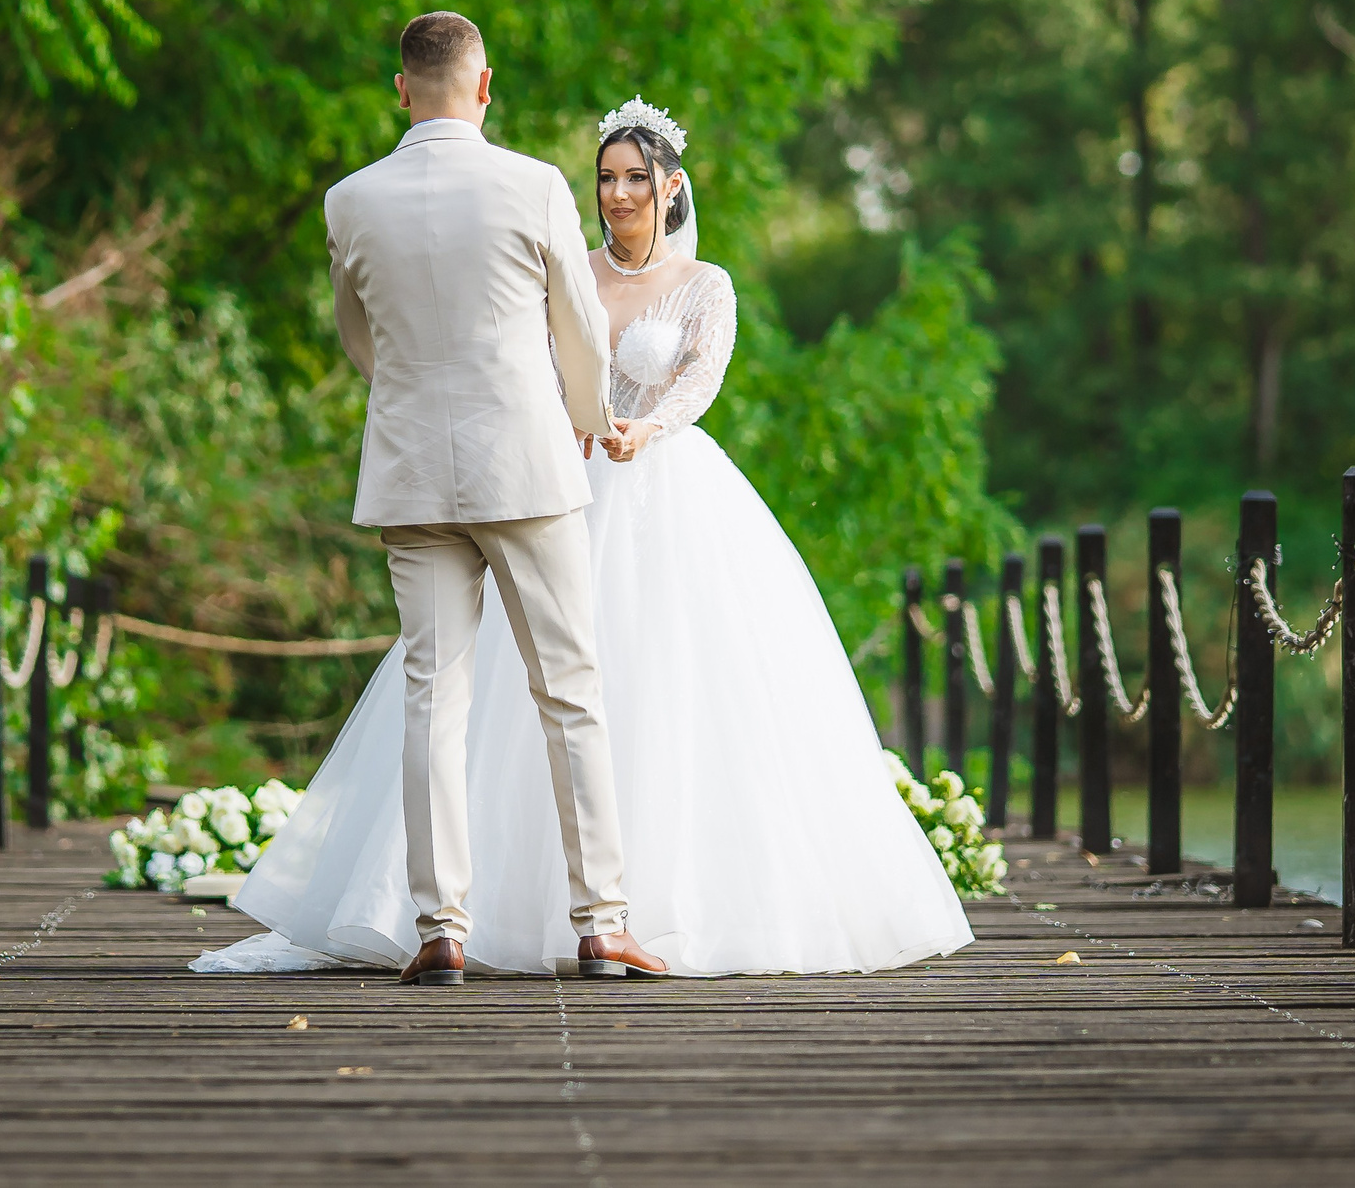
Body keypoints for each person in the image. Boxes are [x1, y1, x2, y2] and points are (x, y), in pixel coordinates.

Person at [197, 66, 972, 978]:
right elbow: (552, 335)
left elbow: (695, 376)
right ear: (483, 86)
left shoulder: (701, 282)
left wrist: (638, 425)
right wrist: (577, 417)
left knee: (598, 682)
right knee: (544, 695)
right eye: (607, 176)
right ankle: (572, 920)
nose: (617, 191)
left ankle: (467, 921)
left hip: (649, 479)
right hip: (549, 473)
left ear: (671, 185)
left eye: (635, 177)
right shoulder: (549, 218)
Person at [295, 10, 663, 987]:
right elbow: (577, 327)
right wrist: (588, 416)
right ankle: (601, 925)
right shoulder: (533, 185)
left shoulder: (349, 200)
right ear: (484, 85)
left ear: (400, 87)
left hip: (412, 469)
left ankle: (440, 930)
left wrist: (414, 397)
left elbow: (357, 335)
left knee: (431, 701)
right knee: (571, 694)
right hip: (526, 466)